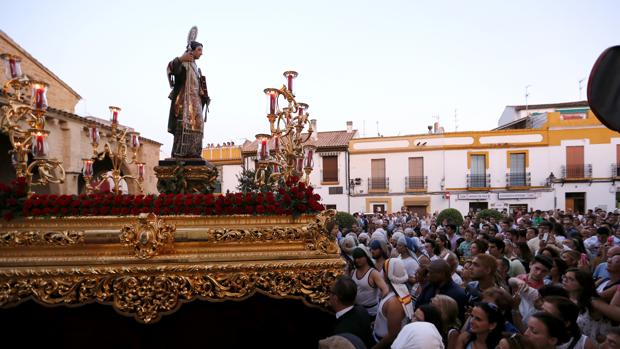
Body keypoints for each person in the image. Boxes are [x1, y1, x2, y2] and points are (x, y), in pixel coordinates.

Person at [166, 28, 211, 158]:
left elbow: (198, 86)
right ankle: (180, 153)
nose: (201, 53)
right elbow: (172, 68)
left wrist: (205, 96)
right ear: (192, 50)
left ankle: (194, 152)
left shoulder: (196, 68)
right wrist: (181, 59)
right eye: (199, 50)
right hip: (184, 102)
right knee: (184, 125)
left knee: (198, 125)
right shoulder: (184, 63)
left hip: (195, 101)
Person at [372, 258, 414, 349]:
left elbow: (393, 335)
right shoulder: (398, 292)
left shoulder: (394, 303)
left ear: (387, 275)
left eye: (383, 270)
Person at [328, 275, 375, 348]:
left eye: (330, 292)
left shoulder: (339, 334)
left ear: (335, 298)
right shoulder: (362, 310)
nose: (328, 295)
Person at [351, 247, 389, 318]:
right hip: (356, 310)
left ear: (366, 257)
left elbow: (385, 290)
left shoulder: (373, 273)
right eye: (355, 258)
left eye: (360, 257)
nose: (357, 260)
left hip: (371, 312)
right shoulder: (353, 272)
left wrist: (381, 305)